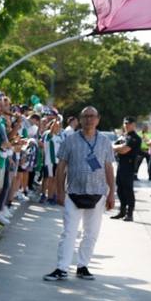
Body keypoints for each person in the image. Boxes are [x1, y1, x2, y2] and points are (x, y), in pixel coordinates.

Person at [46, 106, 116, 281]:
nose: (89, 120)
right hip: (73, 193)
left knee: (91, 233)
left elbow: (108, 168)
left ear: (98, 119)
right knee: (69, 232)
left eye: (92, 116)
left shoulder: (105, 142)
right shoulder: (69, 140)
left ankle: (83, 266)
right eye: (85, 116)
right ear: (80, 119)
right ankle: (62, 268)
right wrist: (59, 191)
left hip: (98, 193)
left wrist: (111, 193)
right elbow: (61, 167)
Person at [112, 117, 142, 220]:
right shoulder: (123, 136)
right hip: (120, 165)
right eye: (125, 123)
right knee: (120, 189)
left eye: (129, 123)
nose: (126, 125)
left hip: (129, 166)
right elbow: (114, 147)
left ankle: (130, 214)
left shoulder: (135, 138)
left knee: (128, 190)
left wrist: (117, 148)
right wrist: (117, 148)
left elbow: (124, 150)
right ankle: (122, 211)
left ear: (134, 125)